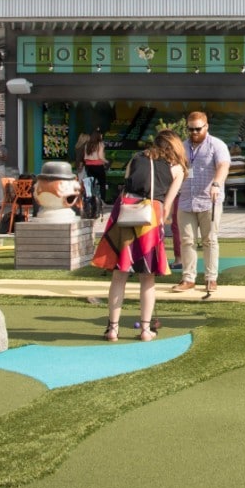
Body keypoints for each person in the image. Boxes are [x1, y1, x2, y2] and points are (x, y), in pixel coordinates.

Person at [93, 129, 185, 341]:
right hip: (151, 214)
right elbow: (168, 204)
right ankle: (145, 330)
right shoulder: (177, 169)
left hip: (125, 211)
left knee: (119, 274)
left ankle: (113, 329)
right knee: (147, 276)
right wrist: (163, 221)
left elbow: (126, 183)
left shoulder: (136, 158)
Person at [173, 111, 230, 293]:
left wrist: (216, 183)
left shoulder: (217, 145)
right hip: (186, 199)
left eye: (198, 128)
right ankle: (188, 278)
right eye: (190, 129)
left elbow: (223, 165)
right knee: (187, 240)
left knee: (210, 240)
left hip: (209, 200)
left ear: (206, 126)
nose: (194, 132)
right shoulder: (182, 146)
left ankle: (210, 278)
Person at [81, 132, 108, 208]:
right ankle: (102, 201)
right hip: (98, 166)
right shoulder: (100, 144)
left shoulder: (87, 145)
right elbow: (100, 156)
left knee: (90, 184)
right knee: (102, 184)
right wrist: (106, 161)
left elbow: (85, 156)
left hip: (89, 166)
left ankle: (89, 201)